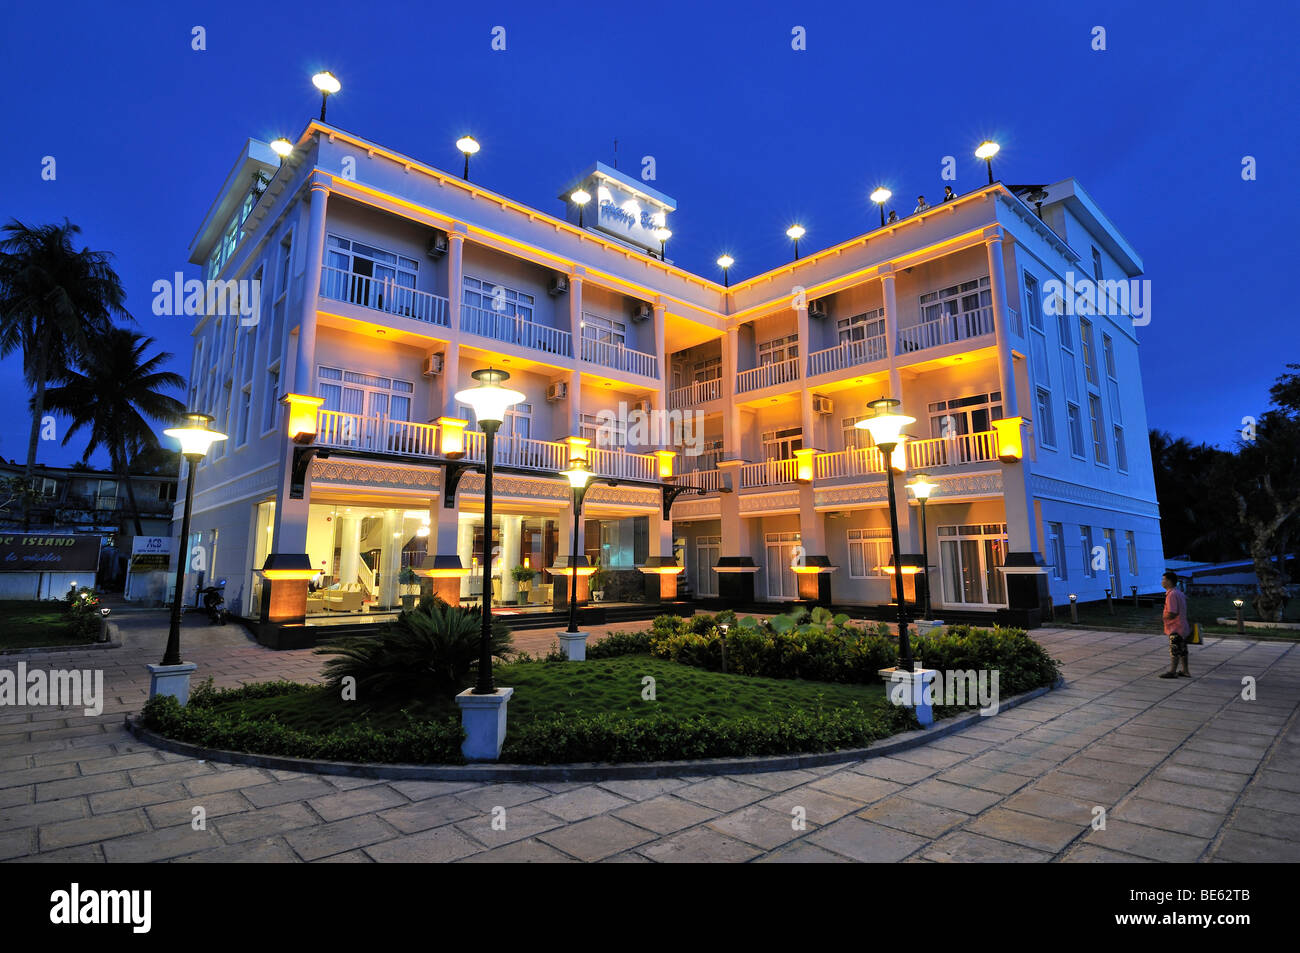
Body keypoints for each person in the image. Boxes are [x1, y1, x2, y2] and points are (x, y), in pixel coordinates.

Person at [1159, 569, 1191, 678]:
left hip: (1175, 627)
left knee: (1175, 650)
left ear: (1169, 581)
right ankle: (1185, 670)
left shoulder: (1171, 595)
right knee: (1183, 650)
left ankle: (1172, 671)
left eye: (1163, 580)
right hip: (1182, 626)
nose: (1162, 582)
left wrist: (1162, 617)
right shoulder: (1179, 593)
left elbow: (1173, 612)